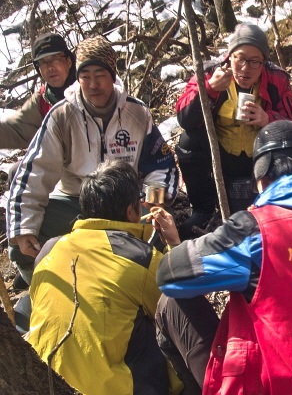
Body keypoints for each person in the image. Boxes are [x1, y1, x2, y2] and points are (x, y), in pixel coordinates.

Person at [153, 120, 292, 394]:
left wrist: (175, 243)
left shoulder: (256, 231)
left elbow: (169, 274)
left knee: (170, 303)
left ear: (261, 176)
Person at [6, 35, 179, 285]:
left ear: (113, 76)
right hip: (74, 202)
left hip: (125, 204)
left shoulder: (136, 112)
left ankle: (148, 298)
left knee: (161, 240)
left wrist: (152, 202)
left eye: (100, 75)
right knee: (20, 245)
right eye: (85, 76)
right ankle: (49, 294)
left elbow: (161, 166)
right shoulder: (61, 115)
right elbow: (35, 173)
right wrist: (24, 228)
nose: (93, 84)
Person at [24, 160, 182, 395]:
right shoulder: (140, 258)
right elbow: (179, 306)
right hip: (114, 389)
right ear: (131, 211)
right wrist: (174, 246)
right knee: (157, 319)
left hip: (42, 382)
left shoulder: (50, 249)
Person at [175, 23, 292, 239]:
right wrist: (210, 90)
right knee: (188, 142)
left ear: (264, 62)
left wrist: (268, 119)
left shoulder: (276, 79)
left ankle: (279, 204)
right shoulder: (210, 74)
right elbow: (184, 117)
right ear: (230, 56)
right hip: (220, 156)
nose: (245, 68)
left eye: (254, 62)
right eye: (240, 58)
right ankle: (202, 209)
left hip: (259, 157)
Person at [0, 32, 75, 149]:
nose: (50, 67)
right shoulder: (42, 99)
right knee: (17, 168)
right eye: (43, 62)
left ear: (68, 61)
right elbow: (15, 130)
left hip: (98, 161)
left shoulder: (88, 86)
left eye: (55, 59)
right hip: (62, 163)